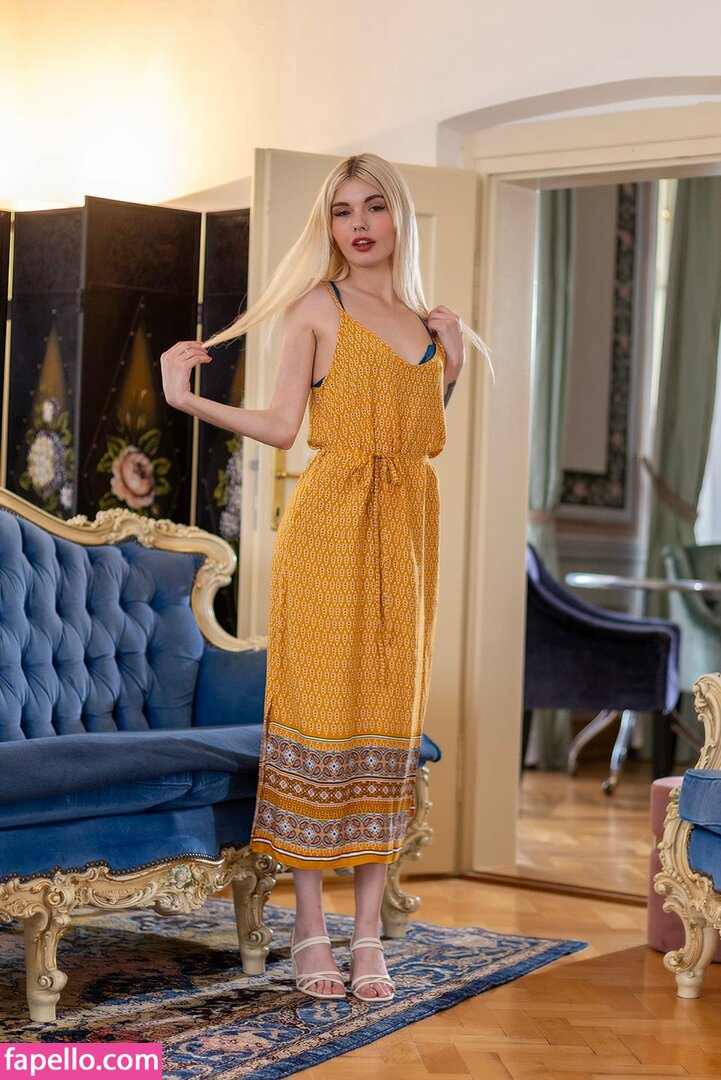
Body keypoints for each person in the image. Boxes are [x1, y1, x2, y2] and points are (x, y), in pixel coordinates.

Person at [160, 152, 491, 1004]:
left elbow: (421, 429)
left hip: (408, 533)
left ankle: (367, 935)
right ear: (329, 225)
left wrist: (451, 367)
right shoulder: (318, 306)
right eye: (342, 211)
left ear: (398, 215)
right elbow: (281, 426)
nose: (358, 225)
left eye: (373, 206)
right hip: (329, 527)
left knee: (386, 720)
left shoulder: (430, 324)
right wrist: (186, 400)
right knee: (318, 718)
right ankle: (309, 927)